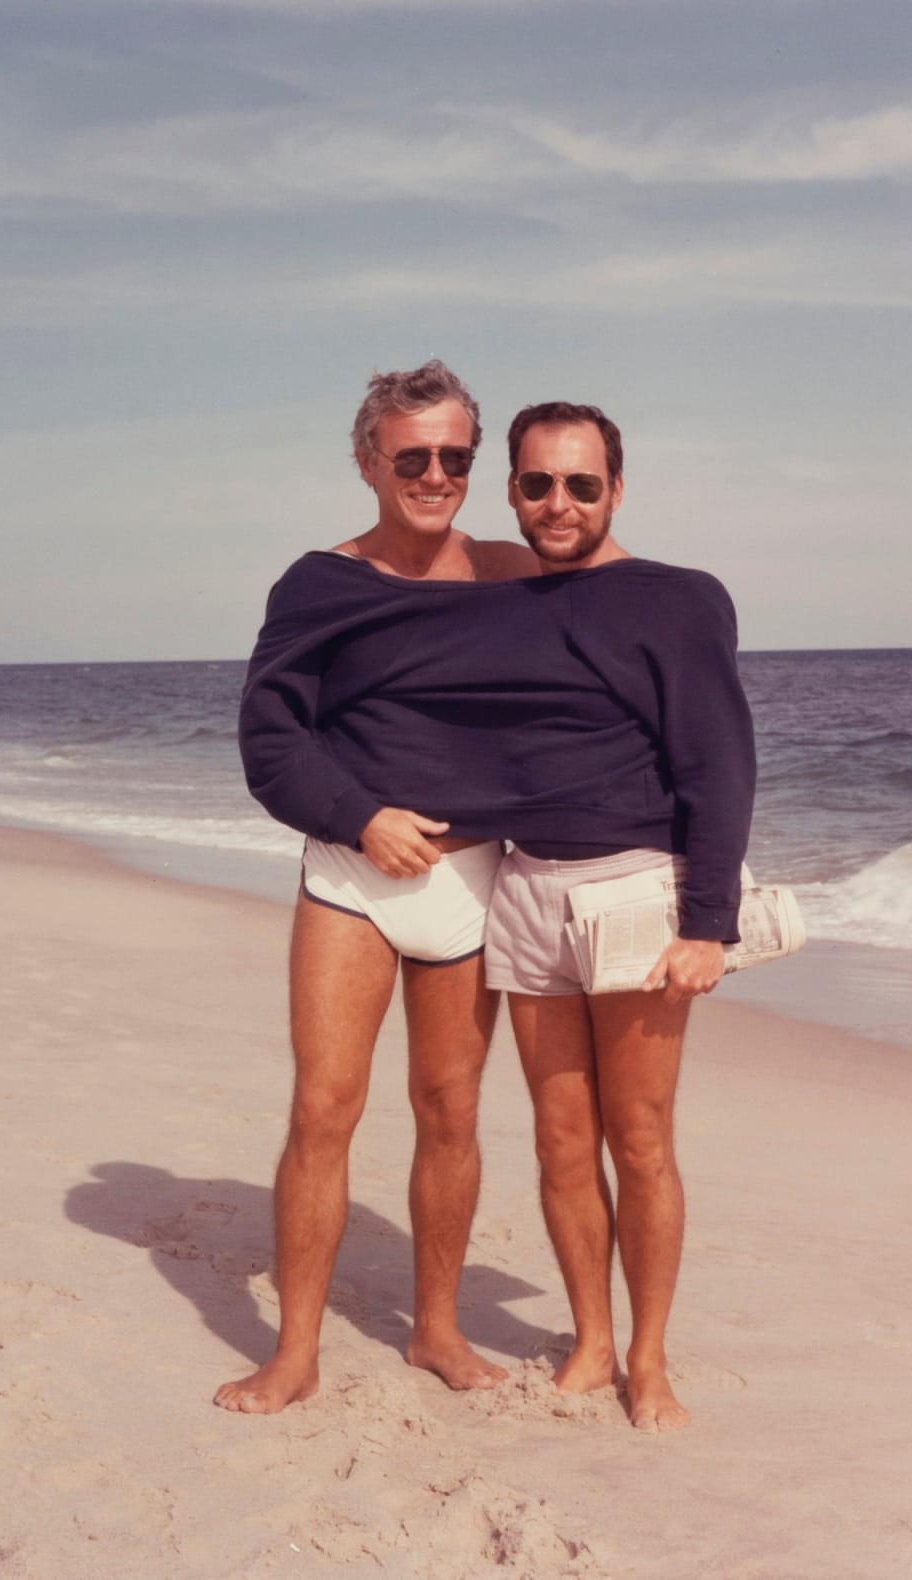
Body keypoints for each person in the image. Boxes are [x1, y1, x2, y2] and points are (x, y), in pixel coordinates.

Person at [216, 361, 537, 1414]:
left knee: (450, 1109)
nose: (436, 473)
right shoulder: (319, 583)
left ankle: (435, 1327)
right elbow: (270, 736)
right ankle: (295, 1349)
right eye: (414, 456)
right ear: (369, 461)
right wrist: (361, 814)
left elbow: (615, 639)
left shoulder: (508, 573)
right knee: (323, 1107)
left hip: (476, 878)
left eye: (455, 456)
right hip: (354, 876)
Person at [484, 401, 756, 1431]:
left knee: (637, 1137)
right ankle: (590, 1340)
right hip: (522, 887)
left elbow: (719, 763)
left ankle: (649, 1356)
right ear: (511, 488)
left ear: (616, 489)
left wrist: (708, 923)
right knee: (559, 1141)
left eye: (581, 484)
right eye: (538, 483)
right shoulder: (498, 603)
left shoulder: (680, 599)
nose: (559, 504)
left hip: (638, 889)